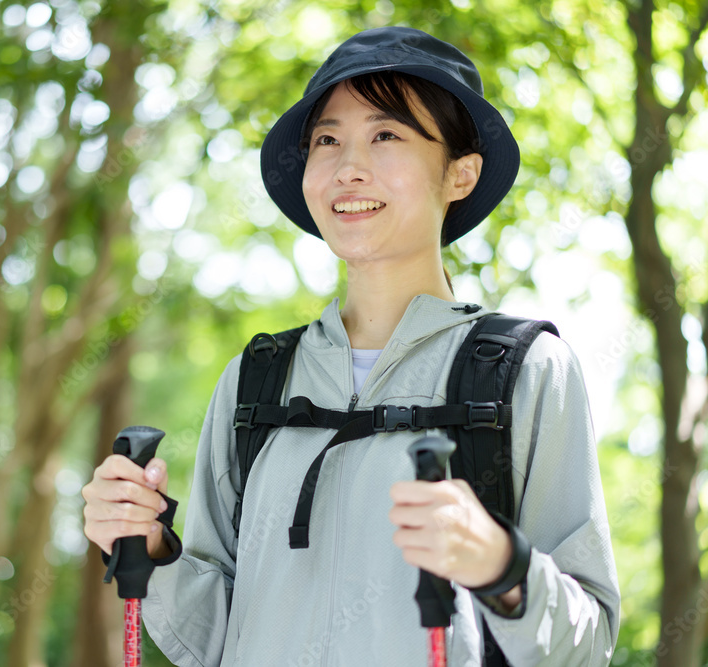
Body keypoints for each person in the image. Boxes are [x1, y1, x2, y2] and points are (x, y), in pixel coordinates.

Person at [82, 26, 620, 665]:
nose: (348, 166)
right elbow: (211, 640)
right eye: (327, 140)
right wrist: (149, 547)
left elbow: (586, 642)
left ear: (461, 173)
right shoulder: (256, 381)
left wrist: (504, 568)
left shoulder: (528, 371)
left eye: (386, 134)